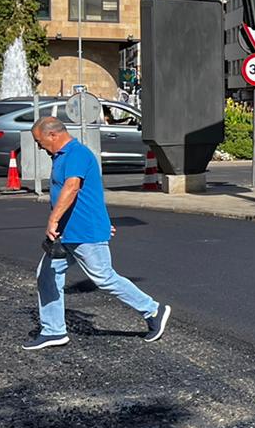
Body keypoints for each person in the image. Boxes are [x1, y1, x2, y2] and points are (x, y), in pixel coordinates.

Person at [26, 116, 171, 350]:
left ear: (53, 135)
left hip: (84, 232)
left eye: (39, 140)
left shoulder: (77, 154)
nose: (39, 146)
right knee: (47, 275)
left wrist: (53, 220)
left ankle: (153, 310)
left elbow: (73, 187)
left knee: (104, 277)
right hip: (68, 232)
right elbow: (90, 195)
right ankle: (53, 331)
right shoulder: (61, 156)